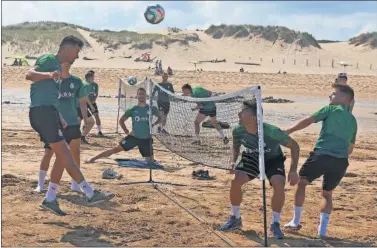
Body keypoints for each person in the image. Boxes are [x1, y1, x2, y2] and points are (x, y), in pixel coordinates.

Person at [26, 35, 114, 216]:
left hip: (49, 113)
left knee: (62, 155)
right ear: (68, 49)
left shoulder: (60, 69)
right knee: (65, 153)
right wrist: (49, 75)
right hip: (41, 112)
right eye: (76, 52)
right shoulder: (49, 59)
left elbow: (50, 96)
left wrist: (60, 117)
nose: (77, 56)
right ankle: (88, 192)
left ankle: (51, 198)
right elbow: (29, 74)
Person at [284, 84, 357, 238]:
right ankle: (322, 231)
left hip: (322, 155)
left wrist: (289, 131)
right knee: (327, 194)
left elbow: (308, 121)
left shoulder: (329, 109)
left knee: (302, 182)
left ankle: (295, 221)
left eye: (334, 94)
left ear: (343, 98)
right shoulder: (353, 120)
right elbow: (350, 149)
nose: (330, 96)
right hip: (341, 161)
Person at [219, 100, 300, 239]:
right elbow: (236, 147)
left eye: (243, 112)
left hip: (273, 159)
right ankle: (235, 218)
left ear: (254, 117)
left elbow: (295, 146)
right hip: (252, 156)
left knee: (278, 184)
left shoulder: (272, 132)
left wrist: (293, 170)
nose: (239, 114)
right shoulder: (238, 131)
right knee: (236, 181)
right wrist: (233, 161)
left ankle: (275, 224)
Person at [34, 63, 90, 194]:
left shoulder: (76, 81)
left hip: (72, 123)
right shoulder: (50, 81)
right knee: (48, 153)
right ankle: (40, 185)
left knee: (75, 152)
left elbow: (82, 102)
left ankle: (75, 185)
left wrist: (86, 119)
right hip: (54, 123)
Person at [87, 88, 161, 164]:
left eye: (143, 94)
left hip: (146, 139)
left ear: (146, 95)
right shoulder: (133, 109)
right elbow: (121, 120)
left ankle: (150, 158)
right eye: (139, 94)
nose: (141, 95)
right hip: (134, 137)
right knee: (115, 149)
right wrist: (126, 131)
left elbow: (160, 118)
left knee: (151, 162)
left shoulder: (152, 108)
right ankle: (94, 158)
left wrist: (154, 125)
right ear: (137, 96)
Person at [78, 71, 96, 144]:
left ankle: (79, 137)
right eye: (93, 78)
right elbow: (84, 96)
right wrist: (91, 105)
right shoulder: (87, 85)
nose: (93, 79)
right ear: (90, 78)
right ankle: (82, 137)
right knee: (91, 122)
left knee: (78, 122)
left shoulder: (82, 83)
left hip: (77, 106)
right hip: (81, 106)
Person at [87, 70, 103, 136]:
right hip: (85, 103)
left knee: (96, 115)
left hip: (92, 103)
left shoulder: (95, 85)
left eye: (93, 76)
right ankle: (82, 131)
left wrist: (94, 100)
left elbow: (96, 93)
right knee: (82, 117)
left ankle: (99, 131)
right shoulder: (84, 84)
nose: (92, 77)